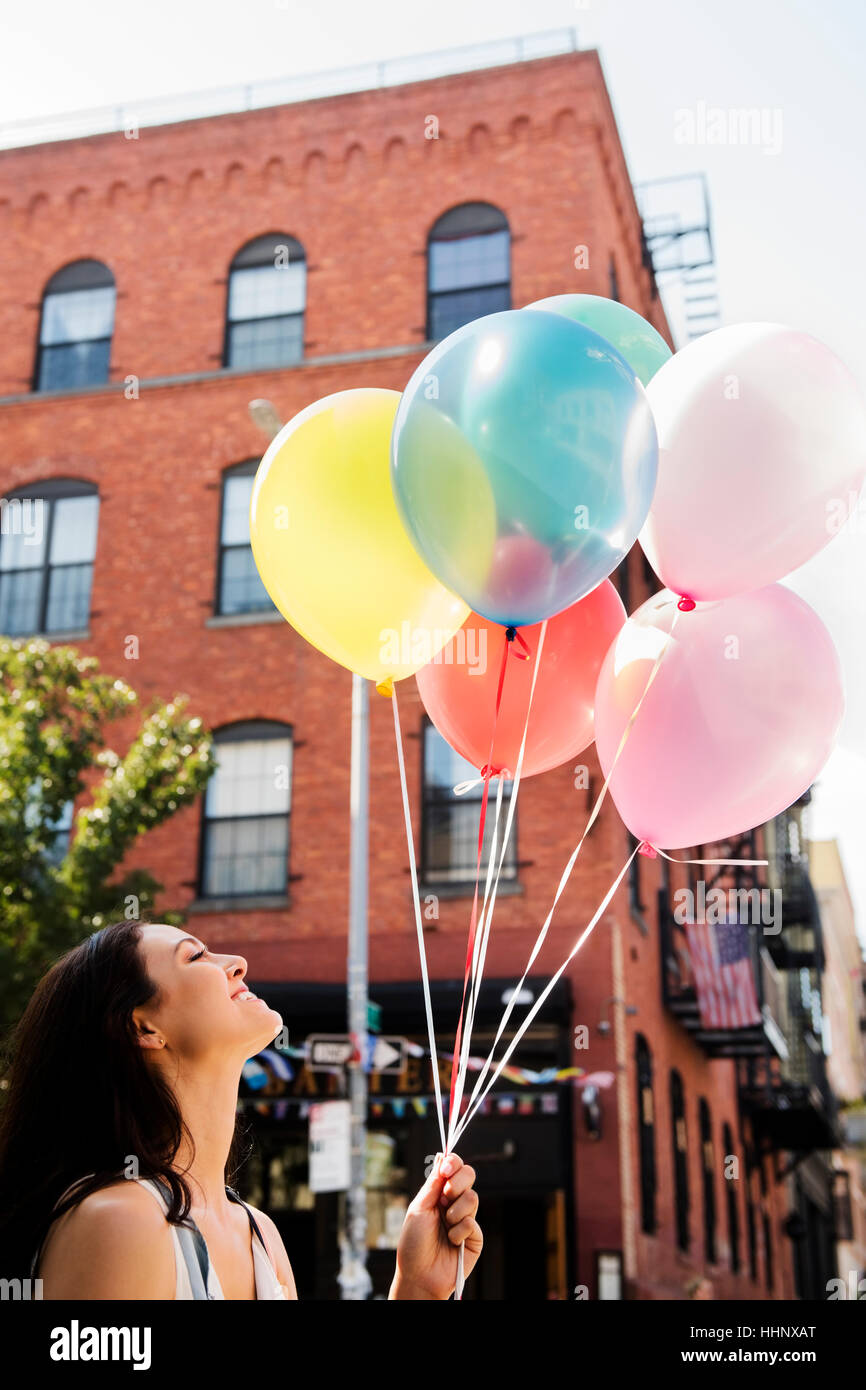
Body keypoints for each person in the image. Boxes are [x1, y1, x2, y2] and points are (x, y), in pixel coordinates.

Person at [0, 919, 482, 1299]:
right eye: (196, 956)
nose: (238, 962)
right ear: (143, 1029)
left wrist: (416, 1288)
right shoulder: (119, 1220)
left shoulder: (259, 1233)